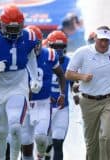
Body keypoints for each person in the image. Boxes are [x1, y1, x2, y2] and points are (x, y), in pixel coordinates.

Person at [0, 5, 41, 160]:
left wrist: (35, 78)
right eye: (9, 28)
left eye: (16, 28)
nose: (13, 32)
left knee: (16, 127)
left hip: (18, 84)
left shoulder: (29, 37)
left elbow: (31, 59)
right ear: (2, 25)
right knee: (1, 132)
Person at [65, 26, 110, 160]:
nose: (104, 43)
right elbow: (68, 74)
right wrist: (82, 77)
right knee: (92, 143)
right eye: (101, 40)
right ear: (95, 38)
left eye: (107, 40)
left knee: (106, 136)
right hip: (88, 101)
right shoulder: (82, 52)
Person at [20, 25, 66, 160]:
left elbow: (61, 75)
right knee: (25, 143)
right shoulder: (18, 56)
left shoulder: (50, 55)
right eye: (31, 44)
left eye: (37, 43)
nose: (35, 47)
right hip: (24, 104)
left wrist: (62, 94)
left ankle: (41, 154)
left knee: (41, 138)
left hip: (42, 103)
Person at [44, 30, 72, 160]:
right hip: (44, 107)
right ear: (49, 46)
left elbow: (74, 84)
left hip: (62, 108)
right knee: (43, 143)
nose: (58, 50)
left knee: (58, 143)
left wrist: (77, 92)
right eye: (55, 46)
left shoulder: (69, 62)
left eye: (61, 47)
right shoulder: (43, 60)